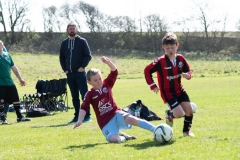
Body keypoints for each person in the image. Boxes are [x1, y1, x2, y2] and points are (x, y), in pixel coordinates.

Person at [73, 56, 157, 143]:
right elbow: (84, 107)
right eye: (95, 80)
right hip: (105, 123)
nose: (99, 81)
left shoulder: (107, 84)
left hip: (116, 114)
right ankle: (124, 137)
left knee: (132, 119)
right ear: (89, 82)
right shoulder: (90, 94)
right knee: (114, 139)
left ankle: (155, 129)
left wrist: (108, 62)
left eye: (99, 79)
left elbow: (114, 72)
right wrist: (80, 120)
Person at [144, 32, 194, 137]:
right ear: (163, 48)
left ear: (177, 46)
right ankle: (170, 114)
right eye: (167, 48)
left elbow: (188, 71)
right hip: (167, 92)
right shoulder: (160, 61)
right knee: (179, 114)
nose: (170, 50)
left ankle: (186, 132)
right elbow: (147, 70)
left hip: (179, 90)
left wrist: (188, 75)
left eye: (172, 47)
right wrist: (152, 85)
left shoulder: (180, 59)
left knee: (189, 111)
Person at [60, 22, 92, 124]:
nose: (72, 30)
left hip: (80, 73)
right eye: (70, 28)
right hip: (70, 74)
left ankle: (87, 115)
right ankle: (77, 116)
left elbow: (88, 55)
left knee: (84, 95)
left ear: (76, 29)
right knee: (74, 96)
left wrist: (82, 67)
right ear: (67, 30)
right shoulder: (64, 43)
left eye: (74, 28)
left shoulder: (82, 41)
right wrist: (65, 69)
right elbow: (62, 58)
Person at [0, 40, 31, 124]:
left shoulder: (7, 56)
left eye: (0, 44)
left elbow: (13, 67)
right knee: (1, 102)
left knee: (16, 99)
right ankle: (3, 118)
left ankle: (19, 116)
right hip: (0, 83)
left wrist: (20, 78)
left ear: (3, 46)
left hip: (10, 82)